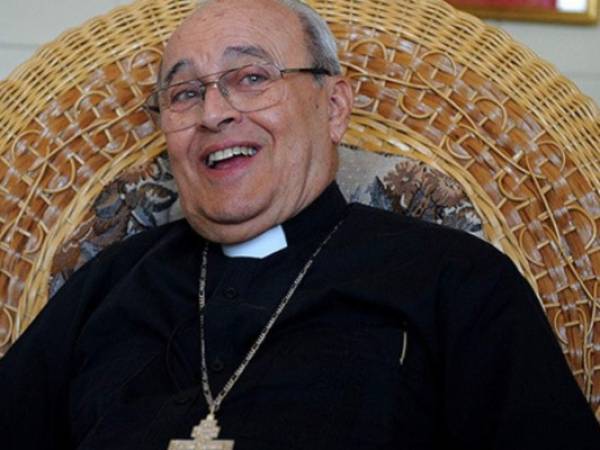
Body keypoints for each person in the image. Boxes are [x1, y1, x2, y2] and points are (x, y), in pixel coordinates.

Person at [1, 0, 599, 449]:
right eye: (184, 93)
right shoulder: (109, 282)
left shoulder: (456, 280)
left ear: (334, 107)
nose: (214, 113)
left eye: (252, 78)